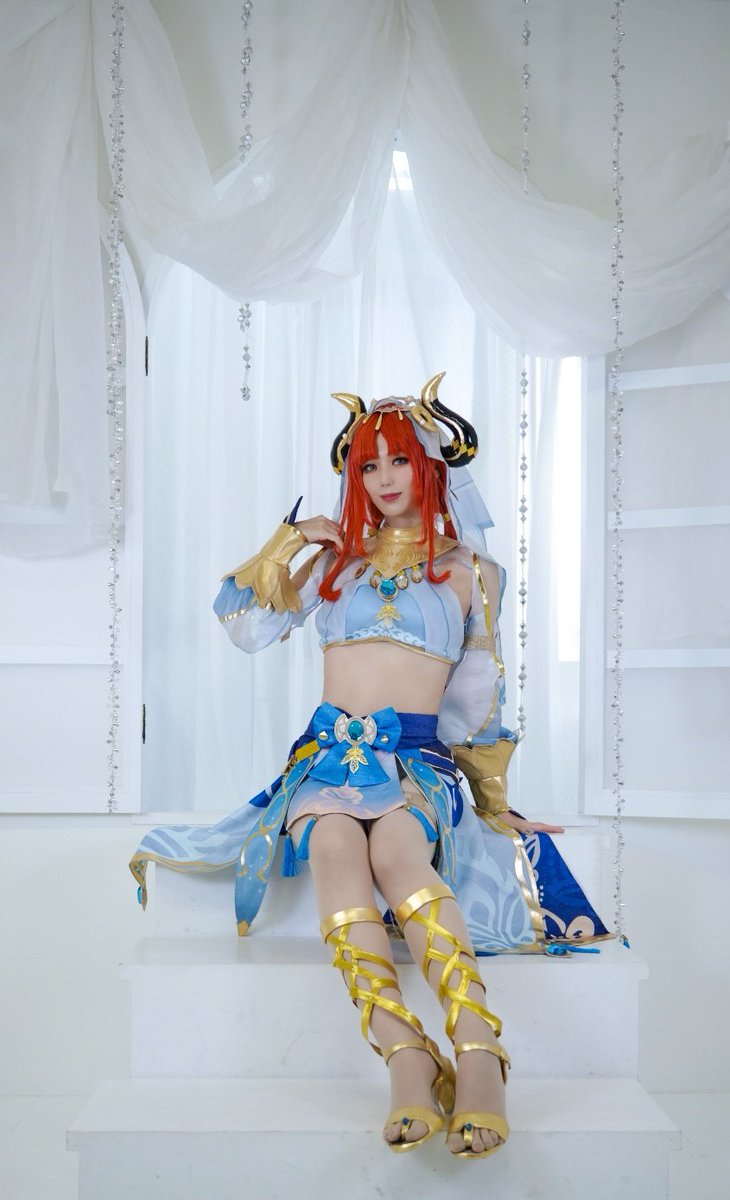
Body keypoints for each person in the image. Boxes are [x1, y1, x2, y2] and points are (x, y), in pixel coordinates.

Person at [130, 373, 610, 1159]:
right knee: (329, 845)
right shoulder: (337, 568)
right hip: (324, 762)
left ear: (431, 468)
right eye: (368, 466)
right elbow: (243, 626)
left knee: (396, 853)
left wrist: (493, 802)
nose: (384, 479)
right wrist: (292, 540)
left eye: (398, 461)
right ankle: (404, 1054)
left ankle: (479, 1054)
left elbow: (477, 699)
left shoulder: (474, 573)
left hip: (415, 761)